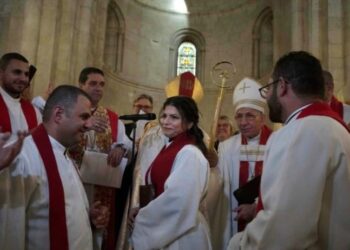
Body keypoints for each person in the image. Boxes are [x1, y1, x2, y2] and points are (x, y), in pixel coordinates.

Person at [229, 51, 350, 249]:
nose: (267, 96)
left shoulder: (301, 131)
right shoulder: (334, 126)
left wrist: (240, 244)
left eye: (268, 88)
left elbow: (283, 229)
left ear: (282, 86)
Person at [0, 85, 108, 250]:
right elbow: (10, 226)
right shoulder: (25, 156)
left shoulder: (64, 153)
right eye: (84, 117)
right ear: (58, 115)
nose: (88, 125)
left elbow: (60, 209)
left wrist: (86, 215)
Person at [129, 96, 212, 250]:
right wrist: (142, 208)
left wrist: (144, 217)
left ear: (190, 123)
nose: (166, 122)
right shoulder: (171, 146)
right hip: (169, 228)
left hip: (181, 234)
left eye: (174, 117)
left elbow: (178, 202)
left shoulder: (190, 153)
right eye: (164, 116)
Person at [72, 67, 131, 250]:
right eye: (93, 83)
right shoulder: (69, 112)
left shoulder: (112, 118)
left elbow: (128, 143)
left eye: (102, 84)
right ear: (81, 85)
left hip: (101, 185)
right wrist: (83, 125)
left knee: (98, 237)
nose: (98, 88)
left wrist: (121, 148)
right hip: (74, 182)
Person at [216, 77, 272, 250]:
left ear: (262, 118)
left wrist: (256, 207)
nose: (243, 122)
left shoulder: (277, 143)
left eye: (250, 116)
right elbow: (220, 187)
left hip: (268, 221)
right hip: (235, 220)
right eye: (239, 116)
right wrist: (210, 167)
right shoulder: (226, 147)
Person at [0, 52, 41, 142]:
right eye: (17, 72)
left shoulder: (34, 111)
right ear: (1, 73)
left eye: (26, 74)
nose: (23, 79)